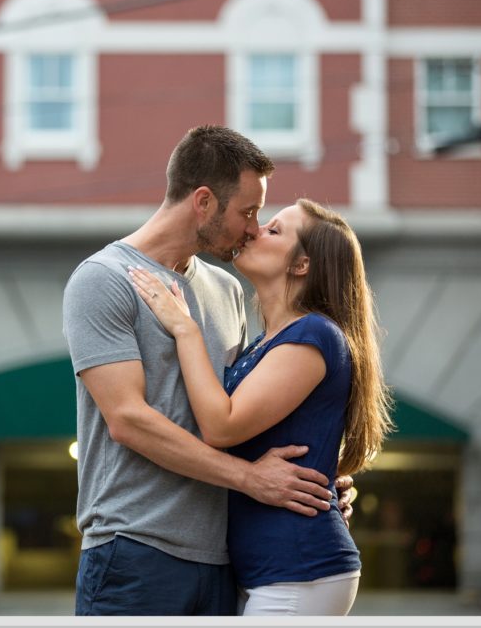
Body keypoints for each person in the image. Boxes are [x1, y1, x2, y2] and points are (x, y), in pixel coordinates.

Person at [62, 125, 355, 616]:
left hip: (223, 561)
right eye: (247, 211)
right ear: (203, 202)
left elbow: (245, 410)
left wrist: (319, 478)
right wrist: (249, 479)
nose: (253, 228)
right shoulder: (103, 280)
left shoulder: (225, 289)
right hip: (135, 546)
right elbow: (128, 420)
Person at [127, 197, 394, 615]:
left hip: (298, 570)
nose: (253, 230)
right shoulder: (265, 343)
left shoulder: (313, 335)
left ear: (301, 264)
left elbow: (221, 426)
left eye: (273, 230)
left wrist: (184, 328)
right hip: (269, 572)